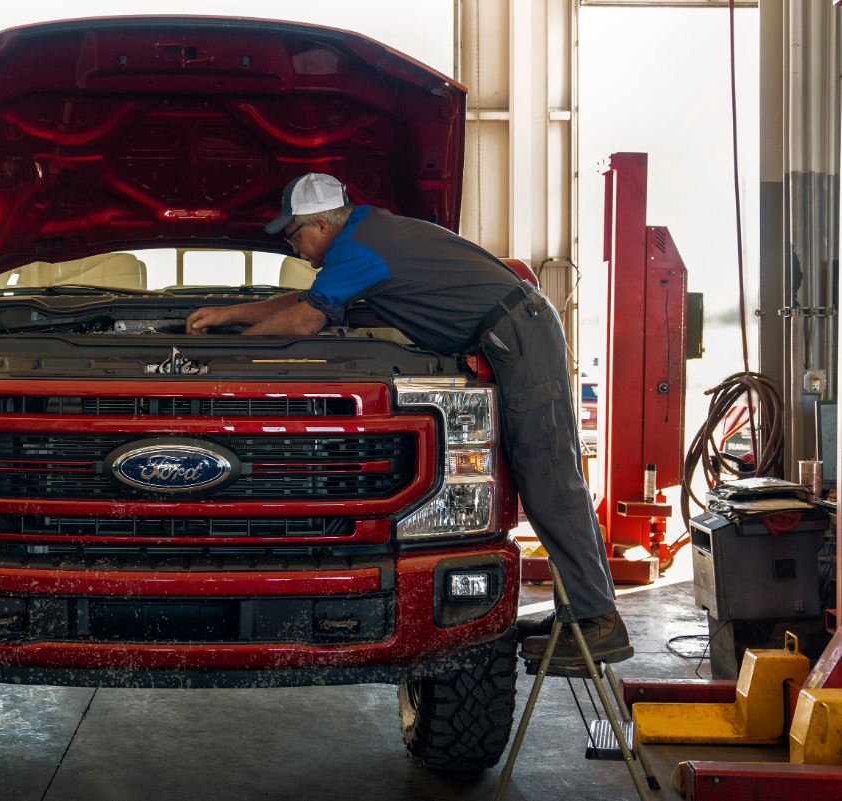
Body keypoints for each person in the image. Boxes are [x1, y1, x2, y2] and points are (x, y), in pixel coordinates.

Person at [185, 173, 631, 667]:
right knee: (544, 472)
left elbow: (306, 319)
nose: (293, 247)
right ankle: (582, 614)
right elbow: (304, 301)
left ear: (321, 225)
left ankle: (597, 621)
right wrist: (229, 314)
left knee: (548, 473)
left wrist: (226, 354)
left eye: (294, 235)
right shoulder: (365, 235)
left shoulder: (358, 248)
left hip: (517, 334)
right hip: (514, 329)